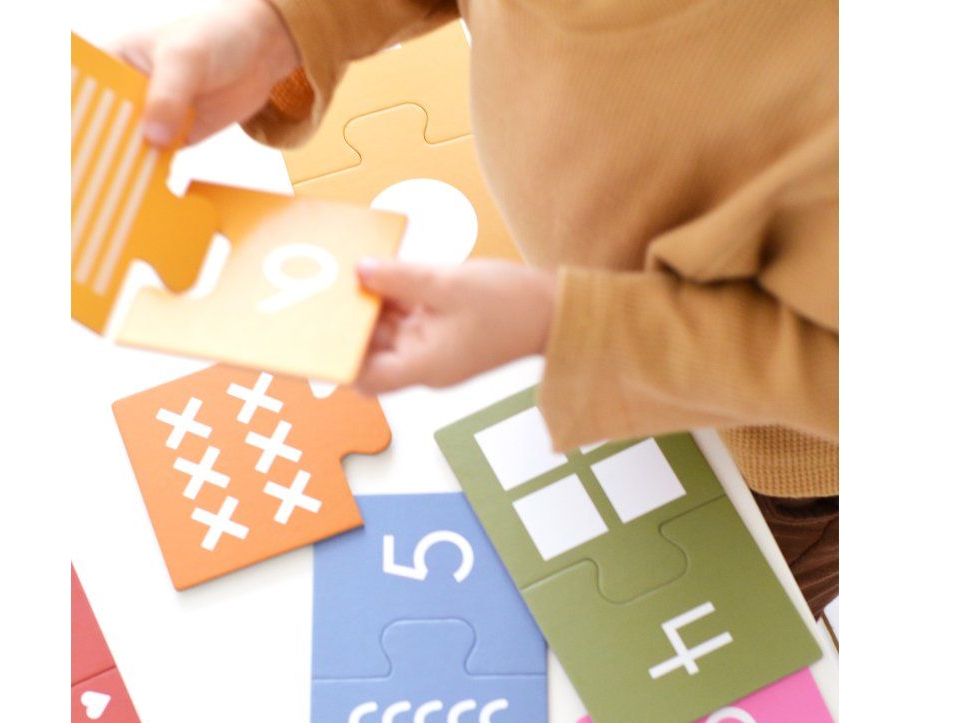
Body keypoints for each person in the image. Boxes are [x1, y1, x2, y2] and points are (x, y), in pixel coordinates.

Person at [116, 0, 838, 617]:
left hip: (784, 449)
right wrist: (286, 26)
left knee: (706, 643)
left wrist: (563, 324)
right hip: (569, 306)